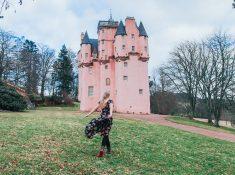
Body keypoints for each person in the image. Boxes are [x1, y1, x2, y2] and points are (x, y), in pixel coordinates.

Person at [83, 91, 113, 157]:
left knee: (105, 134)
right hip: (105, 119)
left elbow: (110, 109)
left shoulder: (105, 101)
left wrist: (110, 114)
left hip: (105, 119)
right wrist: (88, 114)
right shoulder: (105, 101)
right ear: (108, 95)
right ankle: (105, 150)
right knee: (106, 134)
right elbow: (96, 108)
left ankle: (105, 150)